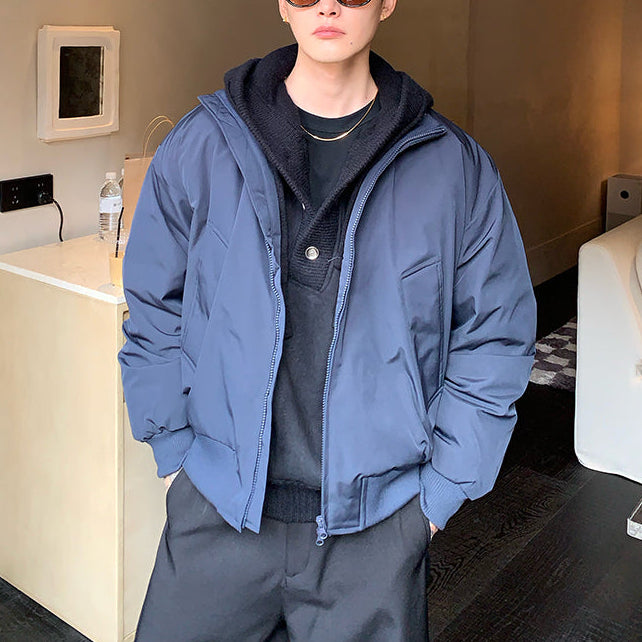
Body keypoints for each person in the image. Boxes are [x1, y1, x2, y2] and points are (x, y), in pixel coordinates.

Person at [118, 0, 536, 639]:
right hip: (216, 510)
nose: (329, 4)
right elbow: (153, 302)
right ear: (283, 5)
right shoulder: (204, 144)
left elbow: (494, 336)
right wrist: (173, 448)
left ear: (387, 3)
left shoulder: (453, 167)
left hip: (377, 532)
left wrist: (439, 494)